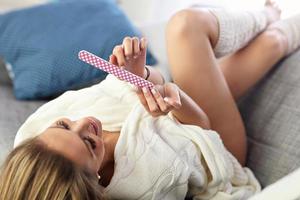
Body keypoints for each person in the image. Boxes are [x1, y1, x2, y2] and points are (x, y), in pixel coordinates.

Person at [1, 0, 300, 199]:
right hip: (215, 143)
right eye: (89, 143)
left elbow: (135, 87)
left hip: (180, 105)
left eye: (64, 125)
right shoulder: (145, 182)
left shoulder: (36, 132)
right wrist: (176, 101)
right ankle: (272, 18)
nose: (85, 122)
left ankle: (269, 19)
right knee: (186, 26)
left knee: (264, 42)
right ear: (95, 186)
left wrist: (138, 74)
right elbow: (202, 131)